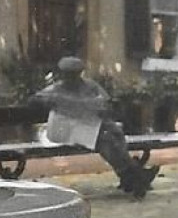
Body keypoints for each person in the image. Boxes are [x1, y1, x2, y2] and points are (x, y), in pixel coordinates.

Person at [34, 56, 159, 197]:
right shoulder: (56, 89)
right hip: (67, 132)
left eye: (75, 74)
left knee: (111, 137)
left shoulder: (90, 86)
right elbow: (36, 100)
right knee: (106, 140)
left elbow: (106, 103)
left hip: (91, 128)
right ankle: (136, 175)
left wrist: (97, 107)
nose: (72, 78)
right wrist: (54, 101)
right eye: (69, 74)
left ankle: (131, 176)